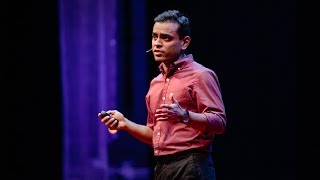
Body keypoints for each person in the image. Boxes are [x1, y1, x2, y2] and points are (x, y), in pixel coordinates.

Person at [98, 9, 227, 180]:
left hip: (191, 165)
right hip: (162, 167)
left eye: (166, 38)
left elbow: (219, 122)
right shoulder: (156, 83)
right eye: (154, 37)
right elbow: (155, 135)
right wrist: (125, 124)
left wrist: (185, 115)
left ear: (185, 42)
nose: (157, 43)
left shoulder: (200, 75)